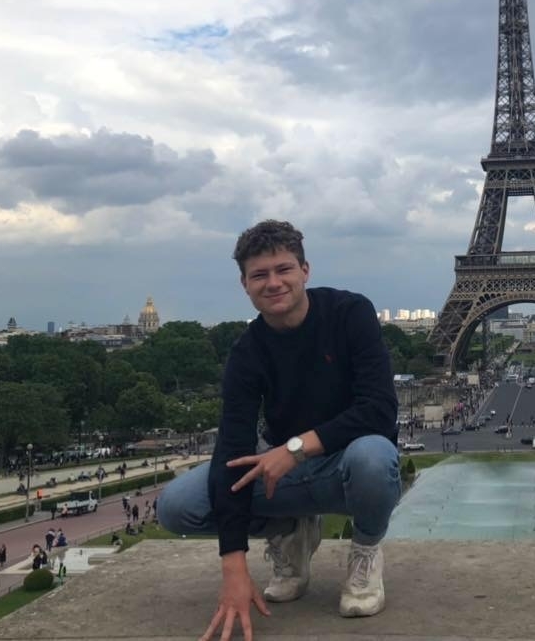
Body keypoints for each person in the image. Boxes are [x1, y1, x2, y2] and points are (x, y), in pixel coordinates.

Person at [157, 220, 401, 641]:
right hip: (286, 471)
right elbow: (231, 450)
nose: (273, 283)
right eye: (260, 275)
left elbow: (379, 410)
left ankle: (365, 550)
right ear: (245, 285)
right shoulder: (246, 352)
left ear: (305, 270)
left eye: (283, 269)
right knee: (177, 506)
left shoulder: (350, 312)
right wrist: (234, 568)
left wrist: (295, 449)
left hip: (341, 460)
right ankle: (289, 530)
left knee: (374, 457)